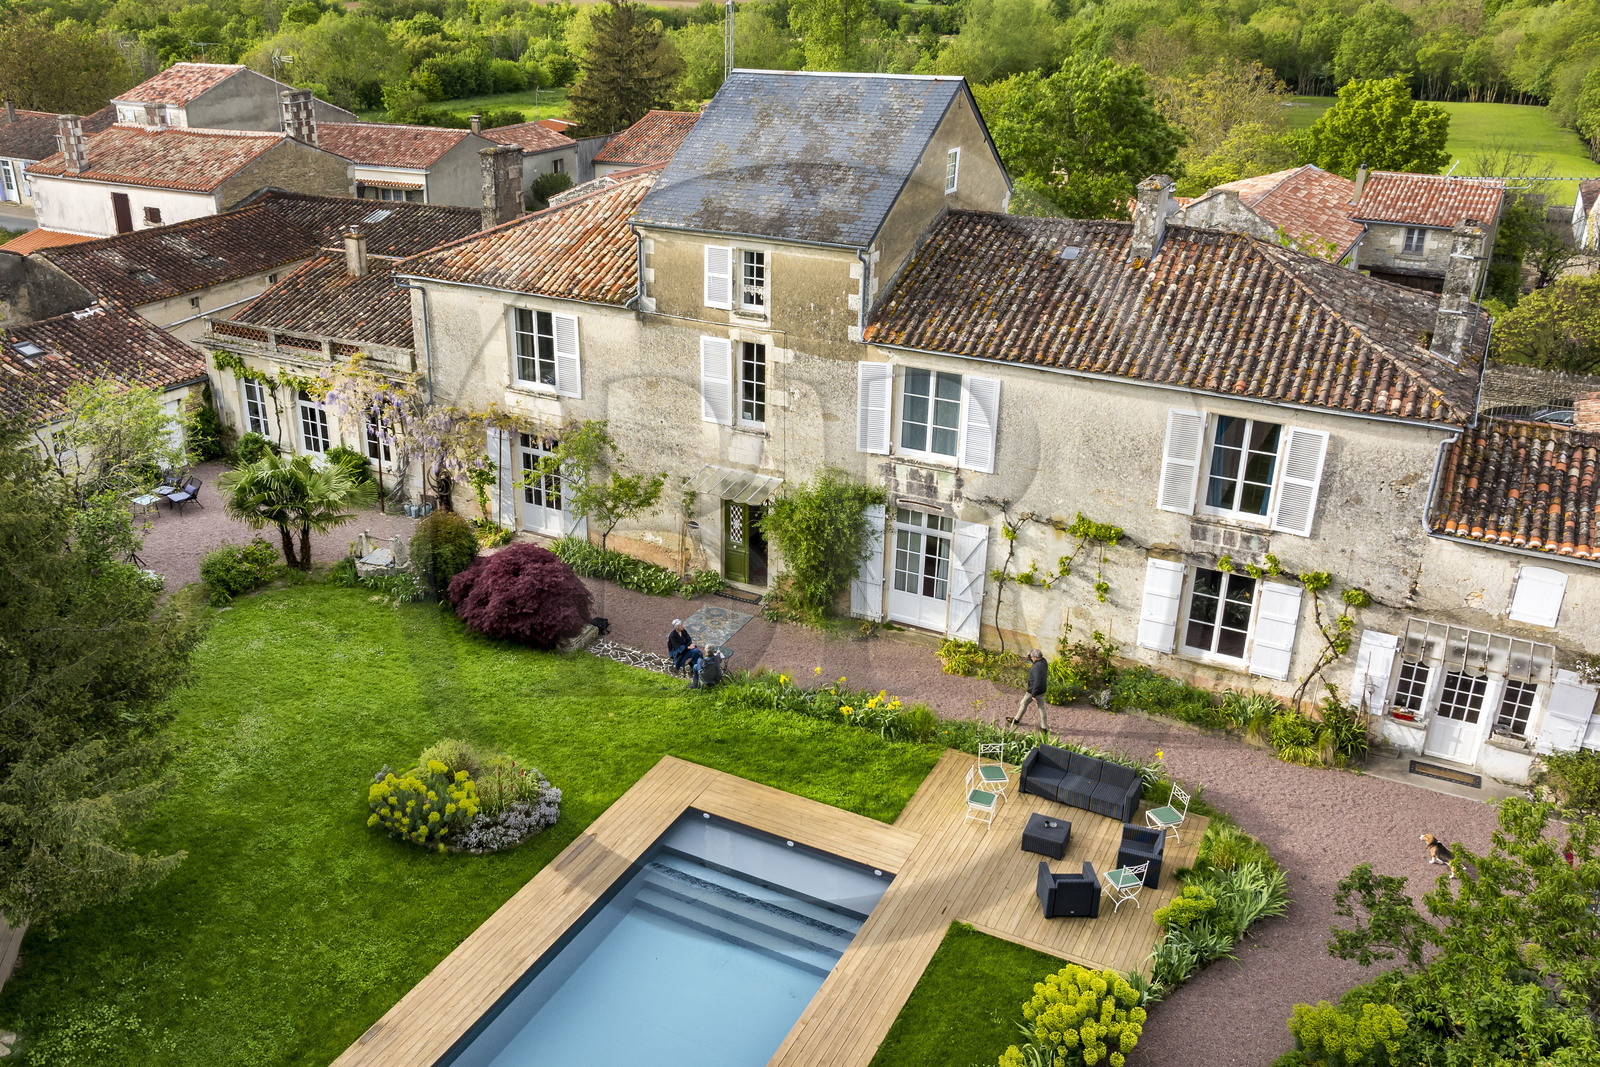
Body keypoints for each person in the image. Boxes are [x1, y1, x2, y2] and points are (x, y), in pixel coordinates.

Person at [1010, 649, 1049, 732]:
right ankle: (1044, 728)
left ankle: (1016, 720)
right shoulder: (1043, 661)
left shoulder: (1036, 667)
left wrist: (1034, 695)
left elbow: (1037, 682)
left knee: (1023, 703)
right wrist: (1029, 655)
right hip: (1042, 689)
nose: (1031, 658)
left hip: (1033, 691)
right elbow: (1035, 662)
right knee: (1041, 708)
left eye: (1032, 657)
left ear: (1035, 657)